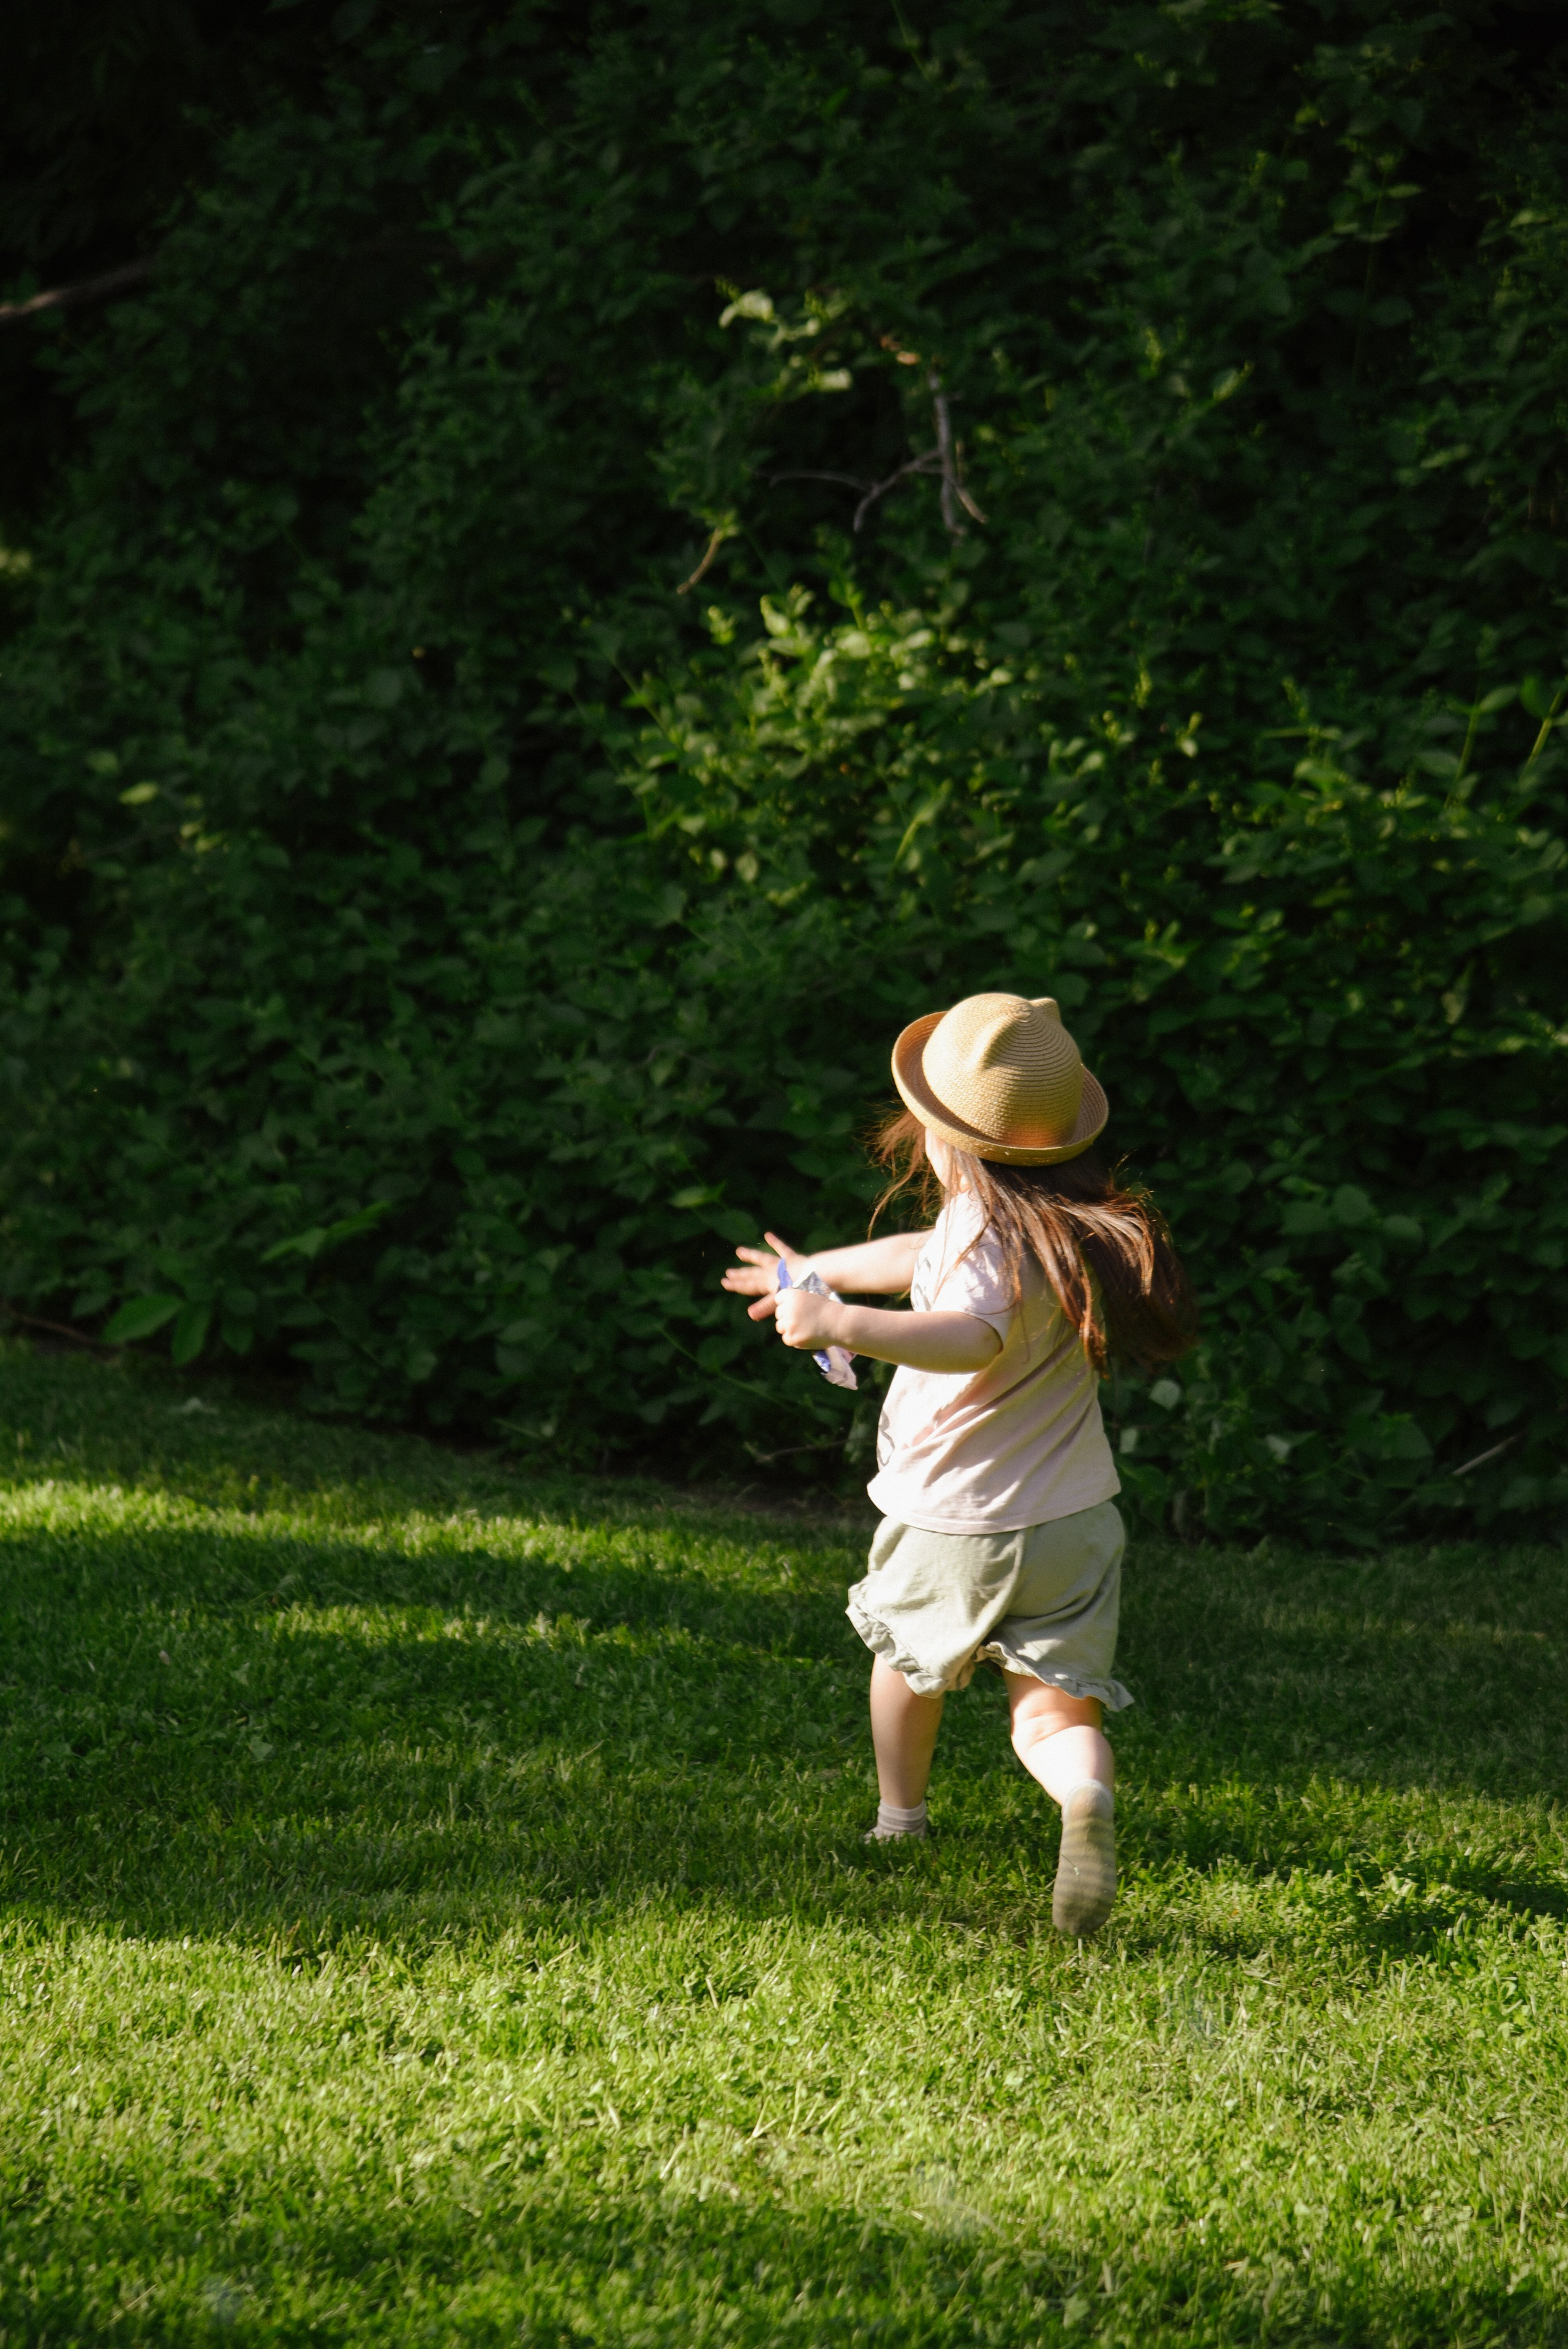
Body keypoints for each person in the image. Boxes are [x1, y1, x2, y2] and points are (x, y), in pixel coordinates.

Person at [722, 992, 1195, 1937]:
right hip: (1074, 1522)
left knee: (905, 1661)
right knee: (1054, 1718)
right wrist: (822, 1265)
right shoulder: (1058, 1225)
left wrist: (840, 1322)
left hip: (959, 1519)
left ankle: (901, 1820)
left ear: (942, 1136)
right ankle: (1082, 1797)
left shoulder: (984, 1241)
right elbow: (921, 1253)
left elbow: (969, 1334)